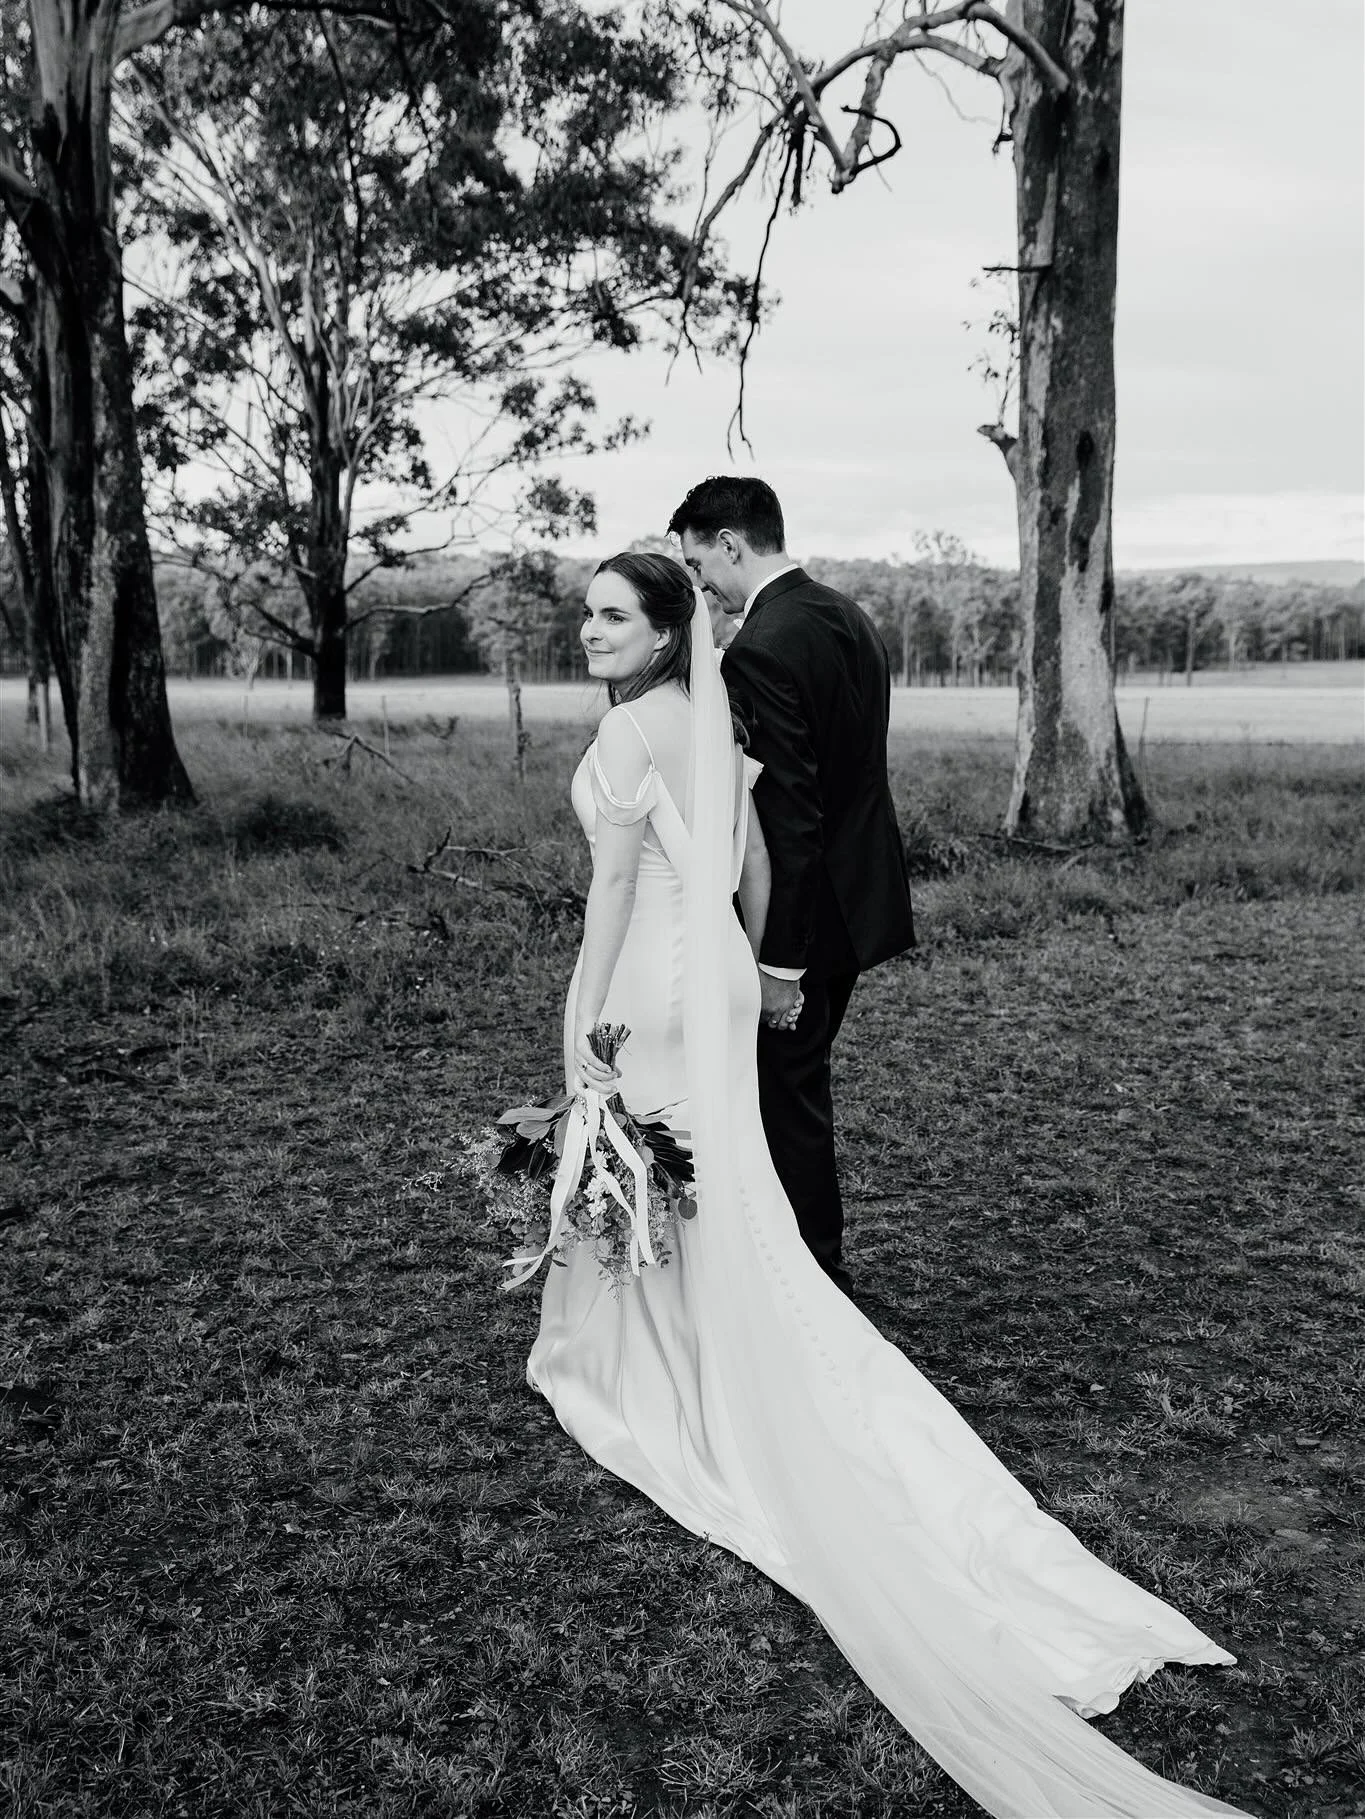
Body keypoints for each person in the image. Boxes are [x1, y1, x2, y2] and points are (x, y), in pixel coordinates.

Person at [525, 549, 1249, 1819]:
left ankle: (653, 1355)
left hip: (649, 980)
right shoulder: (711, 713)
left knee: (654, 1152)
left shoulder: (639, 731)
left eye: (612, 617)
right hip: (717, 981)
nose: (589, 632)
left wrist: (581, 1012)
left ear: (661, 633)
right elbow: (750, 860)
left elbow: (606, 896)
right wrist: (758, 974)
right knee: (718, 1175)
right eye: (584, 614)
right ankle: (711, 1327)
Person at [670, 477, 914, 1292]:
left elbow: (790, 819)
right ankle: (800, 1268)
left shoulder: (762, 647)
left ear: (732, 543)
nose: (702, 584)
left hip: (807, 920)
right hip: (861, 898)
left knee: (786, 1093)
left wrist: (779, 964)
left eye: (701, 564)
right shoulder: (846, 613)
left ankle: (815, 1281)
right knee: (796, 1086)